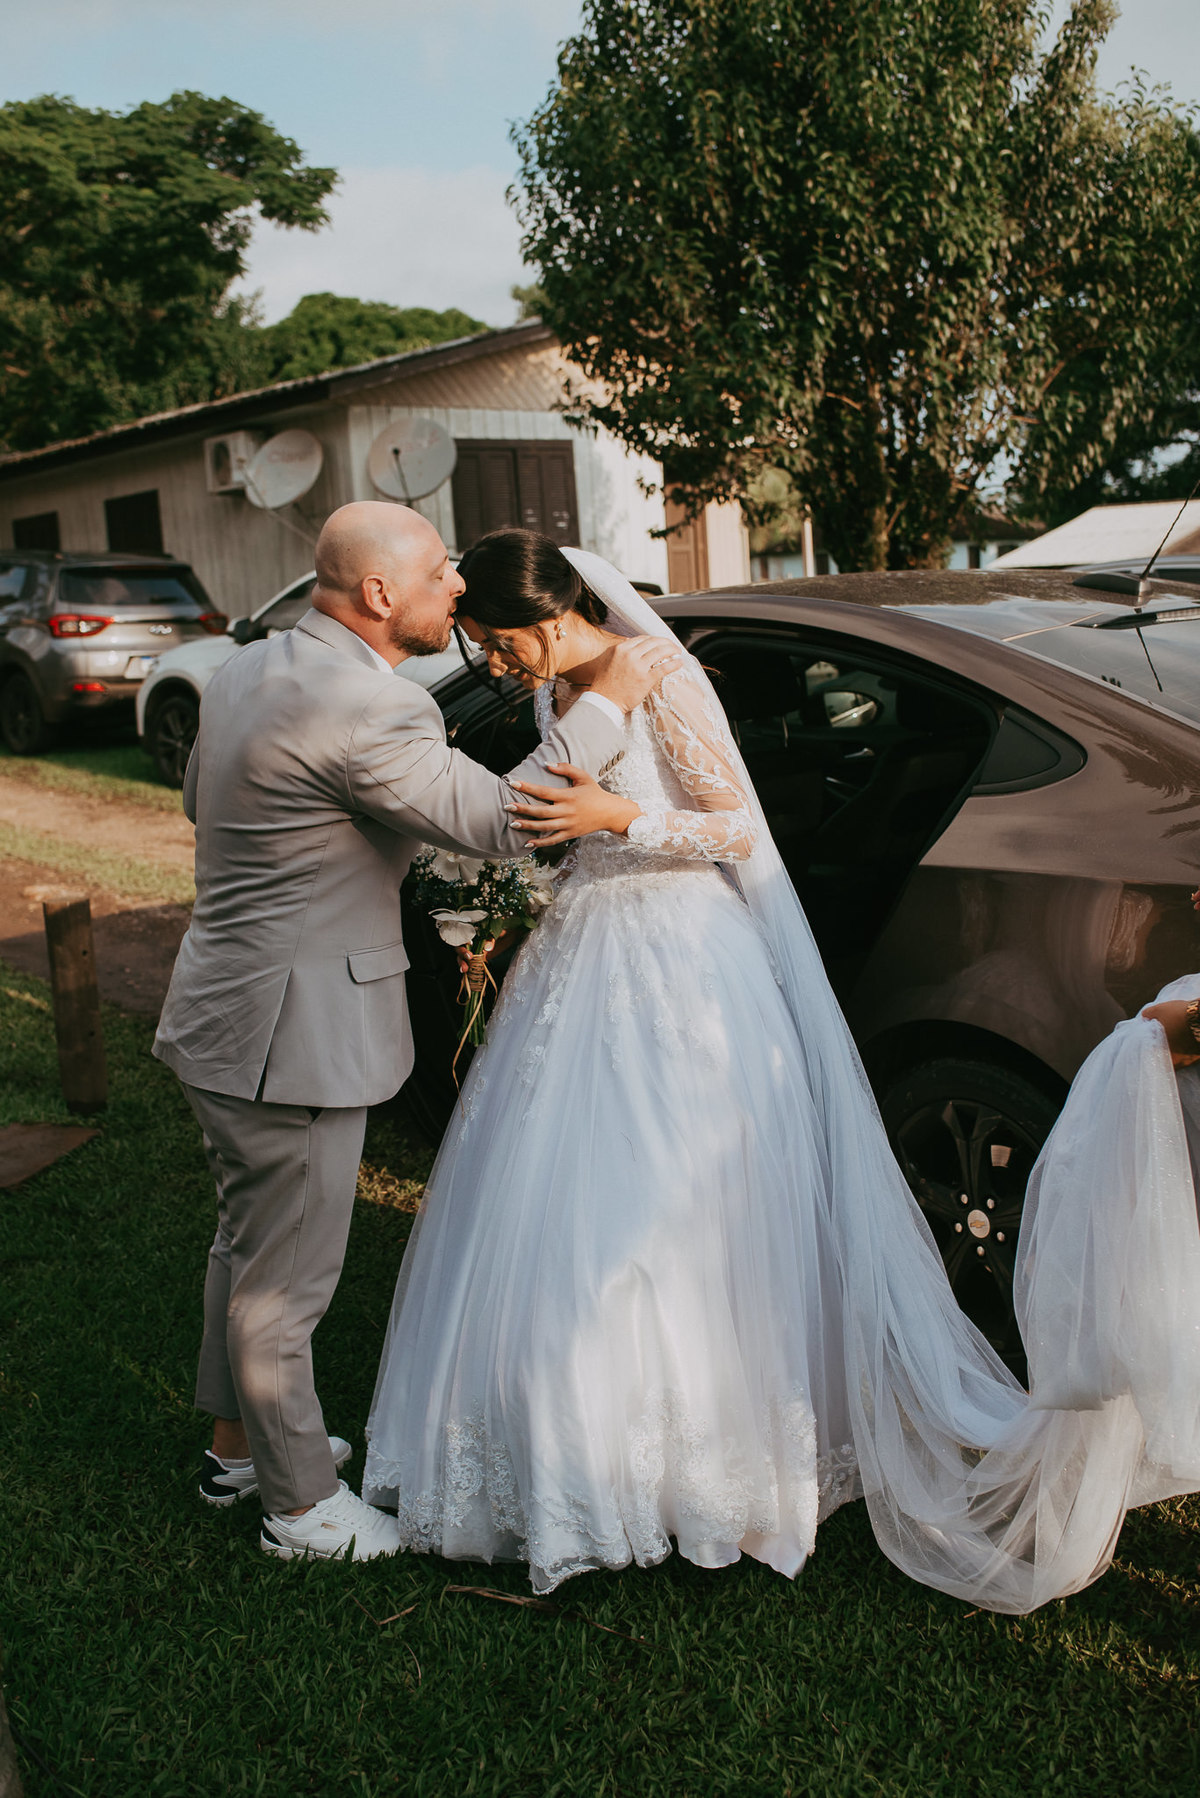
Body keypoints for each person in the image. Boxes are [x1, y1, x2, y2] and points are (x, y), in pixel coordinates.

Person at [363, 530, 1200, 1611]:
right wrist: (548, 863)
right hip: (585, 957)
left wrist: (617, 817)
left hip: (682, 963)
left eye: (498, 646)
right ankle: (585, 1457)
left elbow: (736, 830)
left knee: (676, 1209)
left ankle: (718, 1458)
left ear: (545, 616)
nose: (498, 668)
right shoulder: (549, 692)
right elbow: (553, 811)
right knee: (563, 1202)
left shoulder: (663, 674)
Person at [153, 503, 681, 1562]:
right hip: (287, 1029)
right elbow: (502, 818)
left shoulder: (250, 669)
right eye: (444, 574)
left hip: (223, 1000)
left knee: (246, 1245)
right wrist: (610, 698)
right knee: (284, 1281)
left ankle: (237, 1452)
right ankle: (300, 1508)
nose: (460, 591)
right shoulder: (366, 704)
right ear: (382, 595)